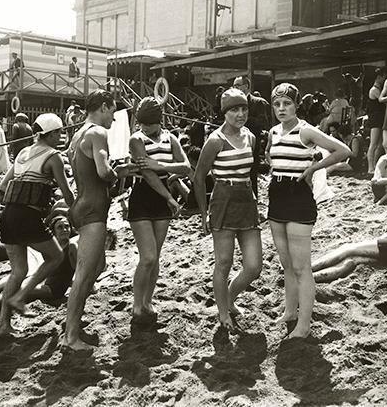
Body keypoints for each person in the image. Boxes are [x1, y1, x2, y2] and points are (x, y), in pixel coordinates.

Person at [266, 83, 352, 339]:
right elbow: (274, 162)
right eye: (277, 104)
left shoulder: (306, 130)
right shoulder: (272, 131)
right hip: (277, 197)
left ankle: (304, 325)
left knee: (302, 267)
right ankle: (290, 312)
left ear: (296, 105)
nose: (281, 109)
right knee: (286, 265)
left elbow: (343, 151)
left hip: (298, 198)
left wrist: (313, 168)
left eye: (287, 104)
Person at [62, 90, 136, 351]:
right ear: (103, 107)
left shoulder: (77, 135)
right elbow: (104, 172)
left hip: (81, 206)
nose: (114, 120)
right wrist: (120, 173)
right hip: (93, 210)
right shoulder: (97, 133)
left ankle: (73, 320)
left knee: (96, 267)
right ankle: (71, 336)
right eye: (113, 112)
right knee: (84, 274)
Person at [0, 113, 75, 336]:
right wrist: (77, 210)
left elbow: (3, 186)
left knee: (19, 270)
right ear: (49, 134)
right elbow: (67, 194)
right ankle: (21, 296)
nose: (61, 136)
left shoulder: (22, 152)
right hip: (27, 217)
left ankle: (3, 325)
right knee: (56, 256)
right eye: (59, 132)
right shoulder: (53, 157)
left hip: (8, 215)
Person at [193, 88, 263, 332]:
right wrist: (203, 214)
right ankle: (223, 313)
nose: (240, 114)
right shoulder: (214, 141)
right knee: (224, 262)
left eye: (243, 109)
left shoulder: (251, 137)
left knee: (254, 266)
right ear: (225, 112)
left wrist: (257, 201)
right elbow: (199, 177)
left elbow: (252, 175)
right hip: (222, 200)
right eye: (234, 109)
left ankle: (229, 298)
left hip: (246, 200)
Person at [128, 97, 191, 325]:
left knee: (156, 257)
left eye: (150, 123)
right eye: (142, 122)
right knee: (148, 257)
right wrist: (169, 198)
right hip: (144, 196)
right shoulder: (136, 139)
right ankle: (137, 305)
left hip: (162, 198)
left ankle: (148, 302)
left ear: (159, 120)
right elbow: (147, 173)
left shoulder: (170, 137)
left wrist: (160, 165)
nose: (145, 127)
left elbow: (185, 166)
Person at [233, 76, 270, 192]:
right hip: (235, 143)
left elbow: (262, 122)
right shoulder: (233, 104)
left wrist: (243, 119)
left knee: (251, 173)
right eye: (234, 86)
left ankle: (252, 201)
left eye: (237, 85)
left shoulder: (258, 102)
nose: (235, 88)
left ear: (246, 87)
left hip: (251, 145)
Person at [366, 68, 387, 174]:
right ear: (379, 77)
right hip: (375, 119)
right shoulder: (374, 90)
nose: (384, 79)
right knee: (373, 144)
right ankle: (370, 167)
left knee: (380, 144)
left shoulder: (378, 88)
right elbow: (383, 100)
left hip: (380, 118)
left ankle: (374, 165)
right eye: (384, 77)